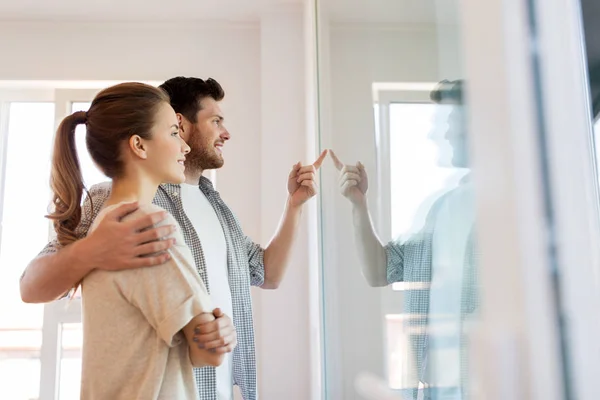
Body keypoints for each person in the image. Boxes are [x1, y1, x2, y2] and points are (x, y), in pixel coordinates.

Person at [20, 77, 326, 400]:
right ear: (180, 124)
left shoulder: (218, 209)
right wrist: (93, 250)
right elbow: (30, 285)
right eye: (216, 121)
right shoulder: (119, 206)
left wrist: (294, 206)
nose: (226, 133)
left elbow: (268, 274)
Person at [47, 82, 223, 399]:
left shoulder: (105, 223)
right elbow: (208, 352)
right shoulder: (148, 226)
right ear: (139, 146)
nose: (184, 146)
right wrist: (222, 334)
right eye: (173, 132)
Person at [331, 80, 478, 400]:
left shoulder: (509, 206)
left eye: (451, 122)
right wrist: (358, 202)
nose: (443, 134)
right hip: (440, 385)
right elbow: (379, 271)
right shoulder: (444, 208)